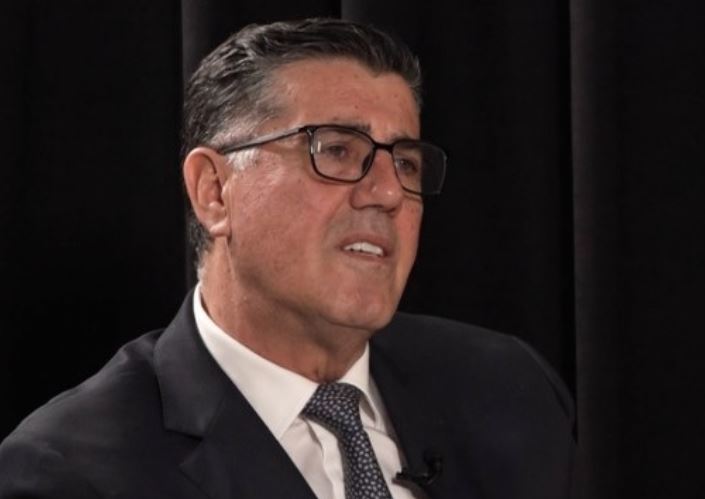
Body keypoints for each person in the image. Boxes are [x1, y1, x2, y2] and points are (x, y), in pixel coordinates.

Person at [0, 18, 575, 499]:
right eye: (337, 150)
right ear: (214, 192)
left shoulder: (509, 389)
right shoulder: (72, 474)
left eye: (405, 163)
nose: (387, 192)